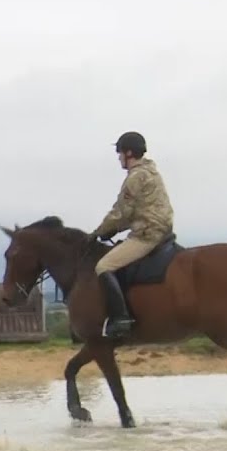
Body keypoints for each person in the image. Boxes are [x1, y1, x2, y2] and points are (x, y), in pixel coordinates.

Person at [87, 131, 174, 338]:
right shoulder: (152, 172)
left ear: (128, 153)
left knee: (104, 266)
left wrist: (99, 232)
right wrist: (114, 228)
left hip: (146, 234)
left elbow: (121, 212)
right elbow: (131, 213)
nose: (119, 159)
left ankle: (121, 318)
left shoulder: (135, 177)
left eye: (119, 154)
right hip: (160, 229)